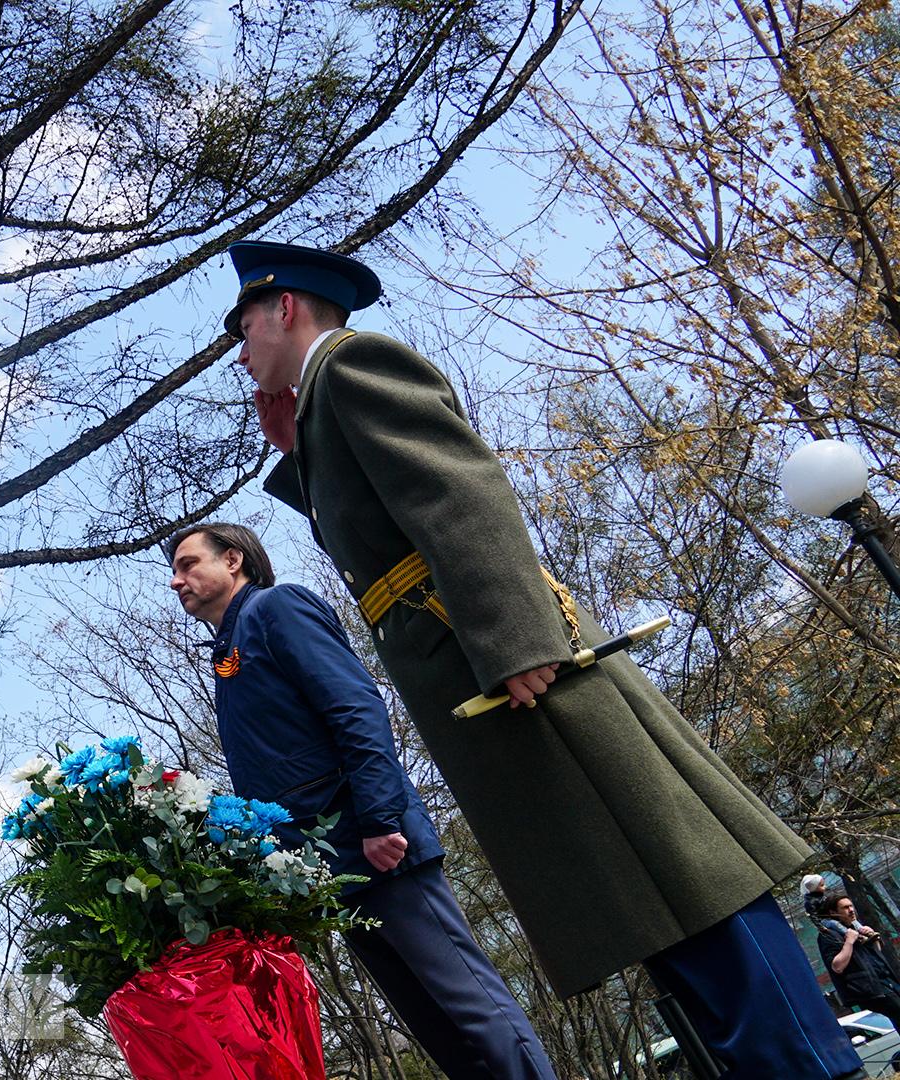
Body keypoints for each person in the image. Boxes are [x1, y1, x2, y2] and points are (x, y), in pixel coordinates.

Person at [228, 239, 864, 1080]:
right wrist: (296, 459)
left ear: (284, 308)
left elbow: (461, 489)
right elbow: (378, 524)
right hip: (487, 679)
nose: (239, 352)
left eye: (243, 327)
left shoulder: (350, 365)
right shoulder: (319, 406)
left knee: (679, 873)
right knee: (639, 901)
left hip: (518, 673)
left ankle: (806, 1066)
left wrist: (516, 643)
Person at [167, 522, 557, 1080]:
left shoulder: (277, 609)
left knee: (473, 1008)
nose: (176, 580)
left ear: (233, 560)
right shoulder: (228, 651)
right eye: (175, 570)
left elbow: (357, 709)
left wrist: (378, 819)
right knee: (437, 1029)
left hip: (378, 848)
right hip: (330, 873)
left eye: (188, 564)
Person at [818, 893, 900, 1029]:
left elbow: (876, 953)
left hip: (888, 980)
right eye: (845, 908)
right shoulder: (829, 935)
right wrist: (849, 941)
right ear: (833, 913)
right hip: (872, 989)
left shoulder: (857, 928)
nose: (851, 910)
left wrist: (873, 937)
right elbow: (837, 966)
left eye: (851, 906)